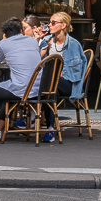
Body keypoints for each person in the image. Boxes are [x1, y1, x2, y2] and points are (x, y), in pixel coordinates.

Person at [0, 17, 42, 143]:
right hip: (38, 89)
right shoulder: (32, 41)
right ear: (21, 30)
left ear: (5, 34)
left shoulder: (4, 43)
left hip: (21, 89)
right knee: (6, 90)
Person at [37, 11, 86, 142]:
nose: (50, 25)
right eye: (49, 23)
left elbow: (80, 68)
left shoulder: (73, 44)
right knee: (51, 92)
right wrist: (38, 41)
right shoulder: (47, 41)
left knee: (51, 86)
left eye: (53, 23)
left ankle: (32, 117)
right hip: (50, 83)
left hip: (69, 82)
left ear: (63, 25)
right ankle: (50, 129)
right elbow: (37, 60)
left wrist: (63, 73)